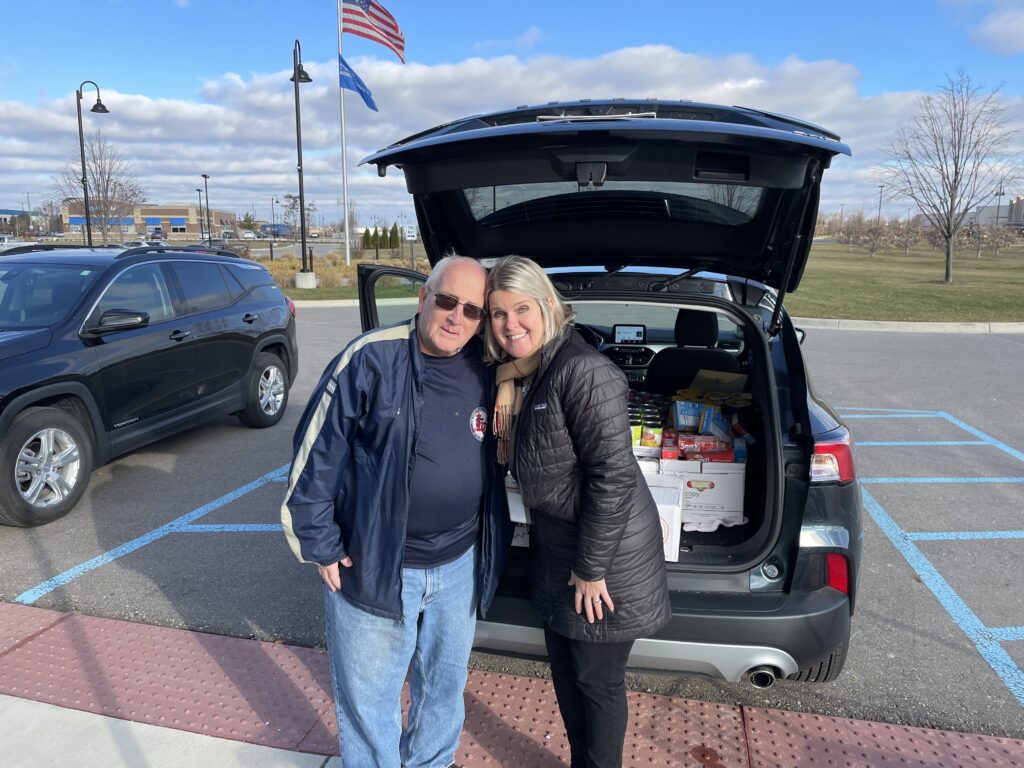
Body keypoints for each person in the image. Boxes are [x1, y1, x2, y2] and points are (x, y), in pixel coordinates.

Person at [281, 255, 511, 768]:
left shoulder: (487, 369)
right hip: (377, 565)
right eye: (448, 301)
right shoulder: (369, 359)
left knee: (443, 694)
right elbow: (313, 460)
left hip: (458, 565)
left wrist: (513, 379)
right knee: (370, 707)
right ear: (424, 297)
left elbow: (554, 350)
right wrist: (320, 544)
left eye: (473, 311)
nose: (457, 318)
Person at [485, 255, 671, 768]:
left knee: (596, 681)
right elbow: (509, 361)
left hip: (604, 560)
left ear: (547, 305)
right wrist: (505, 377)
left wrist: (590, 570)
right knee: (567, 672)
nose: (509, 326)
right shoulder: (538, 366)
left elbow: (610, 477)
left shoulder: (585, 371)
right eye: (498, 314)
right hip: (559, 550)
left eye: (521, 309)